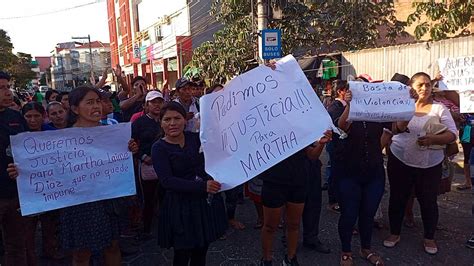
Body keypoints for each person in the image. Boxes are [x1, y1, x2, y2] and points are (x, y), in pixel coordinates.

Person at [13, 86, 138, 265]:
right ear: (74, 108)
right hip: (79, 203)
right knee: (81, 253)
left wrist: (130, 149)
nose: (96, 106)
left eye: (98, 101)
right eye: (89, 102)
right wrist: (21, 171)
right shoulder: (62, 140)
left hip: (109, 200)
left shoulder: (113, 133)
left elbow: (119, 161)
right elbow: (45, 169)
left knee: (112, 246)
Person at [384, 72, 457, 255]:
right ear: (411, 87)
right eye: (420, 85)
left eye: (428, 85)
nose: (424, 88)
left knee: (428, 201)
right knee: (398, 198)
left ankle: (429, 238)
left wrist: (433, 138)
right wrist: (404, 117)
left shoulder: (439, 109)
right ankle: (394, 233)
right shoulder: (401, 106)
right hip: (400, 160)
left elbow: (452, 134)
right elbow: (394, 129)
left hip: (430, 165)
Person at [151, 102, 227, 266]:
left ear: (185, 120)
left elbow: (213, 159)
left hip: (202, 204)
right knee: (182, 253)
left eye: (177, 118)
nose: (172, 123)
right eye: (167, 119)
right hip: (179, 207)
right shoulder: (158, 148)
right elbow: (167, 181)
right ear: (161, 122)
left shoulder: (196, 139)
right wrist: (202, 186)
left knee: (201, 249)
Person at [335, 85, 392, 266]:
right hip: (349, 173)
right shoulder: (350, 112)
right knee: (349, 215)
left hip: (374, 172)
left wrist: (409, 100)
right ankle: (346, 251)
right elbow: (342, 125)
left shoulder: (377, 113)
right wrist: (351, 105)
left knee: (368, 214)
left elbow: (396, 127)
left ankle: (366, 249)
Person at [259, 131, 332, 266]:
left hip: (298, 181)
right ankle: (267, 260)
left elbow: (312, 155)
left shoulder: (298, 125)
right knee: (270, 226)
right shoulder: (267, 126)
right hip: (273, 181)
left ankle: (291, 258)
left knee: (294, 224)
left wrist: (321, 144)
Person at [1, 71, 29, 266]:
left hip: (15, 194)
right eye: (1, 88)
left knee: (17, 244)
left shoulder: (16, 117)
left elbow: (28, 149)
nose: (7, 92)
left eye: (7, 87)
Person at [131, 90, 164, 236]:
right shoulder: (139, 123)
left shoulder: (167, 119)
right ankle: (146, 230)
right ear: (146, 105)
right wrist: (143, 156)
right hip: (147, 166)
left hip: (165, 166)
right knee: (148, 199)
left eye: (160, 101)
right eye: (153, 102)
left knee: (165, 197)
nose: (157, 105)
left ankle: (167, 226)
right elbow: (130, 144)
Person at [326, 80, 349, 214]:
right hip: (337, 146)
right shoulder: (335, 107)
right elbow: (339, 127)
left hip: (345, 148)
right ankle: (333, 201)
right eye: (348, 90)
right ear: (341, 91)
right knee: (335, 173)